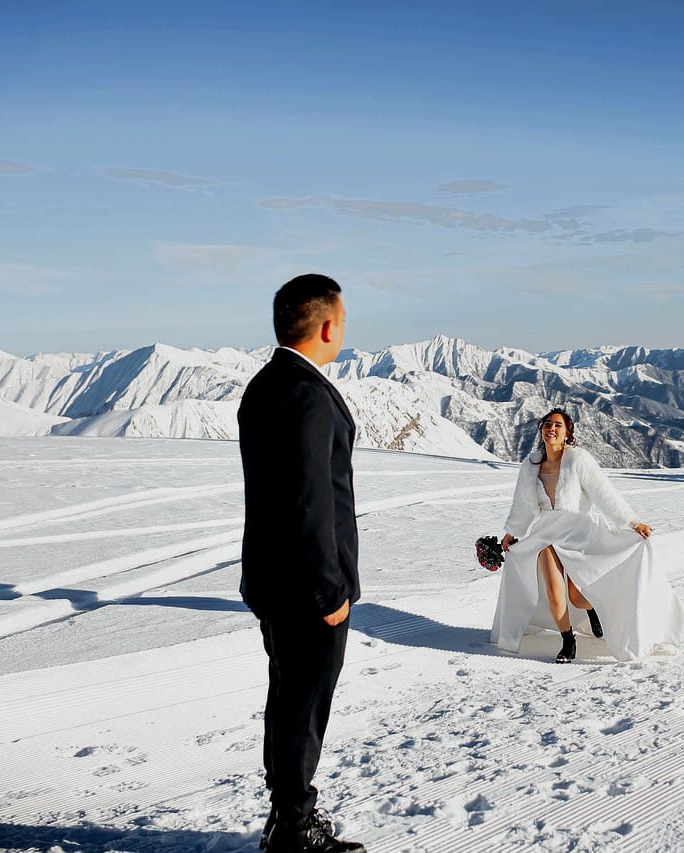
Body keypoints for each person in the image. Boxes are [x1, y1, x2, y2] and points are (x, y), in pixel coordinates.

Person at [238, 274, 365, 853]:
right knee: (302, 707)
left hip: (274, 579)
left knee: (287, 699)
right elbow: (311, 500)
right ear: (327, 325)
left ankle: (284, 815)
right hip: (307, 587)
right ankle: (293, 827)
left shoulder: (265, 385)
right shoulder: (306, 393)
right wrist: (330, 591)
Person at [491, 408, 684, 662]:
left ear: (567, 433)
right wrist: (511, 533)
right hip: (545, 534)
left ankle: (592, 610)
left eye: (558, 425)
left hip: (578, 533)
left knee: (577, 597)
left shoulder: (578, 460)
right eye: (547, 424)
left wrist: (632, 522)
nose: (551, 428)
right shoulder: (531, 465)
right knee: (552, 588)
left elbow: (605, 494)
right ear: (541, 429)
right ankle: (568, 640)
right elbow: (523, 505)